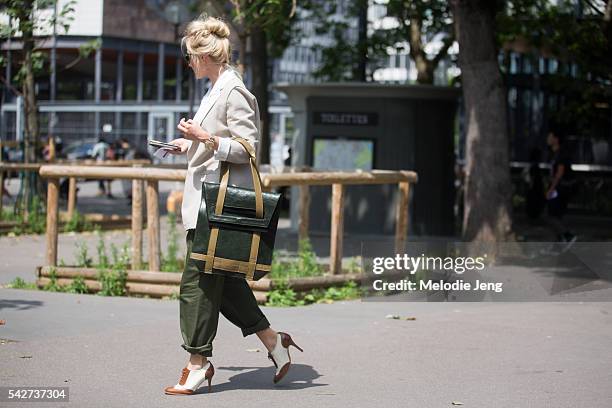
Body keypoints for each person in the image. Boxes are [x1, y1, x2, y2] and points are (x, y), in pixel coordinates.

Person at [163, 14, 303, 395]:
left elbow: (246, 149)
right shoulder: (215, 89)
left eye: (191, 56)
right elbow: (215, 143)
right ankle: (275, 342)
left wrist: (203, 135)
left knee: (196, 284)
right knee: (222, 281)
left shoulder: (234, 91)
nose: (189, 63)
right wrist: (187, 144)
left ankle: (197, 362)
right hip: (207, 204)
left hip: (218, 208)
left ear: (204, 57)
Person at [544, 126, 577, 245]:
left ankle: (568, 236)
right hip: (556, 187)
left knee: (551, 216)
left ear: (556, 139)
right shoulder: (553, 153)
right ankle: (560, 241)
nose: (548, 139)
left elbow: (559, 173)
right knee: (554, 215)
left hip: (560, 188)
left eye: (550, 136)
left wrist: (551, 189)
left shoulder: (561, 153)